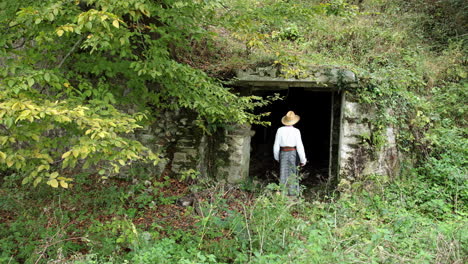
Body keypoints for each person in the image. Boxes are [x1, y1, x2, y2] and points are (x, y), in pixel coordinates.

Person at [273, 111, 307, 196]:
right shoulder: (296, 131)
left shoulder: (280, 130)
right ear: (294, 121)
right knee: (293, 172)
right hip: (293, 153)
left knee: (283, 172)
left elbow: (276, 145)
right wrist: (303, 159)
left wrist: (277, 157)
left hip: (283, 153)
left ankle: (283, 193)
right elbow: (300, 146)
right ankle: (293, 193)